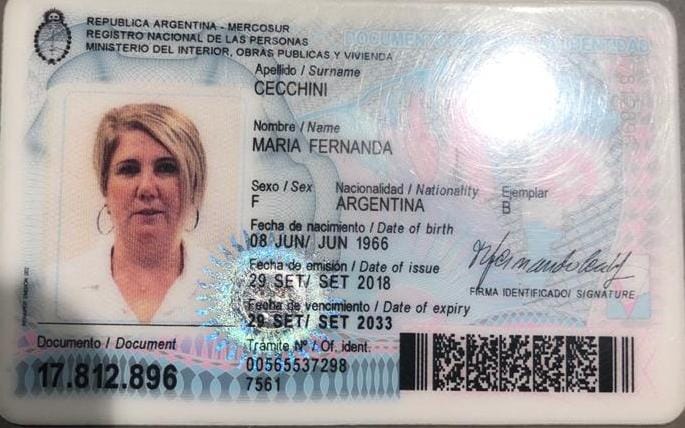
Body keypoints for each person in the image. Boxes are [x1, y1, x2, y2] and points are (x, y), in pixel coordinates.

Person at [57, 103, 208, 323]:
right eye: (129, 169)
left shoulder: (230, 288)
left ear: (193, 183)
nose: (146, 188)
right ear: (105, 187)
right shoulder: (56, 290)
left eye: (166, 168)